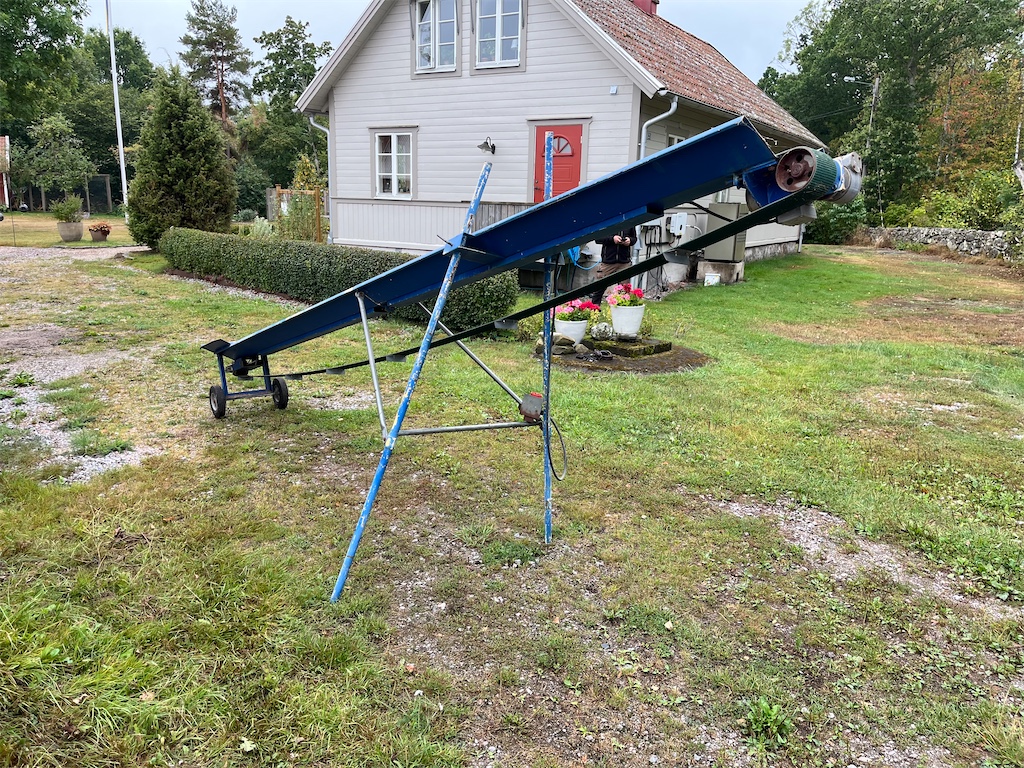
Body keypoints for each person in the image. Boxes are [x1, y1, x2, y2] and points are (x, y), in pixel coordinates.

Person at [590, 227, 637, 304]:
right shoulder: (607, 222)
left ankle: (623, 309)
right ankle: (594, 309)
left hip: (624, 262)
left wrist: (630, 240)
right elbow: (598, 239)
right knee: (599, 289)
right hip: (607, 263)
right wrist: (612, 239)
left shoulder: (629, 222)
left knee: (624, 291)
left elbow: (634, 238)